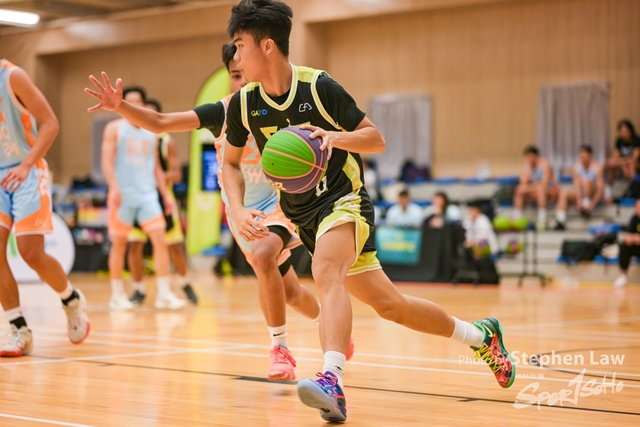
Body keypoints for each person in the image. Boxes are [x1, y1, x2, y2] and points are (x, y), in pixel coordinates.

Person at [223, 1, 514, 422]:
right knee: (392, 306)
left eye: (239, 45)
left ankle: (332, 381)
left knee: (325, 271)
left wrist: (334, 138)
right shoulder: (244, 104)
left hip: (344, 200)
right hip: (304, 215)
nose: (235, 57)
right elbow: (230, 164)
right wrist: (237, 208)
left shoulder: (319, 88)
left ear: (267, 46)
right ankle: (481, 336)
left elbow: (375, 139)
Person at [85, 42, 335, 381]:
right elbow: (161, 121)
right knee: (289, 292)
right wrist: (121, 107)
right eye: (235, 75)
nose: (242, 81)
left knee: (263, 256)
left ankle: (280, 350)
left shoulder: (282, 105)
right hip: (241, 208)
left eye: (246, 73)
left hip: (280, 203)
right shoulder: (224, 111)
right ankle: (328, 323)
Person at [0, 59, 89, 356]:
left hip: (26, 170)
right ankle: (19, 330)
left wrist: (26, 164)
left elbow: (50, 124)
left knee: (31, 253)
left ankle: (71, 300)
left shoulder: (12, 76)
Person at [101, 86, 187, 311]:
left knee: (160, 240)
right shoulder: (114, 128)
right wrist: (114, 187)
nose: (134, 105)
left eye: (137, 101)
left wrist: (166, 195)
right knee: (120, 244)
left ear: (143, 104)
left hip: (147, 195)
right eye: (128, 101)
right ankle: (117, 294)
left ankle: (164, 293)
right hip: (123, 196)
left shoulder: (152, 132)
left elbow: (156, 167)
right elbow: (106, 161)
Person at [126, 99, 198, 305]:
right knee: (135, 245)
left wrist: (156, 178)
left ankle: (184, 283)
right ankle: (139, 289)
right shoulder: (133, 141)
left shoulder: (166, 141)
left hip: (162, 199)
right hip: (138, 199)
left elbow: (177, 174)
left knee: (174, 246)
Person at [554, 145, 604, 230]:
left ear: (590, 156)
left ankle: (586, 206)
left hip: (593, 194)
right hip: (581, 194)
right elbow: (576, 185)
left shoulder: (597, 168)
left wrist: (592, 204)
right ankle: (560, 220)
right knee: (564, 193)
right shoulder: (576, 168)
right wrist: (579, 200)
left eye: (585, 157)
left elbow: (600, 189)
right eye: (581, 157)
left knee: (586, 182)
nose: (583, 159)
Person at [513, 146, 559, 230]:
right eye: (527, 157)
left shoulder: (544, 164)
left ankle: (542, 218)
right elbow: (523, 184)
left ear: (537, 157)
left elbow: (544, 184)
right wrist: (529, 173)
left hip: (550, 191)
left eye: (531, 157)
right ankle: (518, 217)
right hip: (535, 191)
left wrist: (531, 187)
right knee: (519, 190)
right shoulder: (526, 166)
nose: (530, 159)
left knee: (540, 189)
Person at [604, 119, 640, 201]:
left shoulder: (637, 140)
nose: (623, 134)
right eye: (621, 132)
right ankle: (608, 190)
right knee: (610, 164)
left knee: (631, 164)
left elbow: (634, 158)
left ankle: (633, 190)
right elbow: (615, 157)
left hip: (636, 165)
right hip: (623, 165)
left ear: (630, 131)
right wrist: (622, 163)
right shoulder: (619, 141)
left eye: (625, 132)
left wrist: (622, 162)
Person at [613, 198, 640, 288]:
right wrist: (634, 238)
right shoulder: (635, 218)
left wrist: (635, 238)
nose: (638, 209)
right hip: (637, 247)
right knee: (624, 246)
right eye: (636, 207)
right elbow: (627, 235)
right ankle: (623, 276)